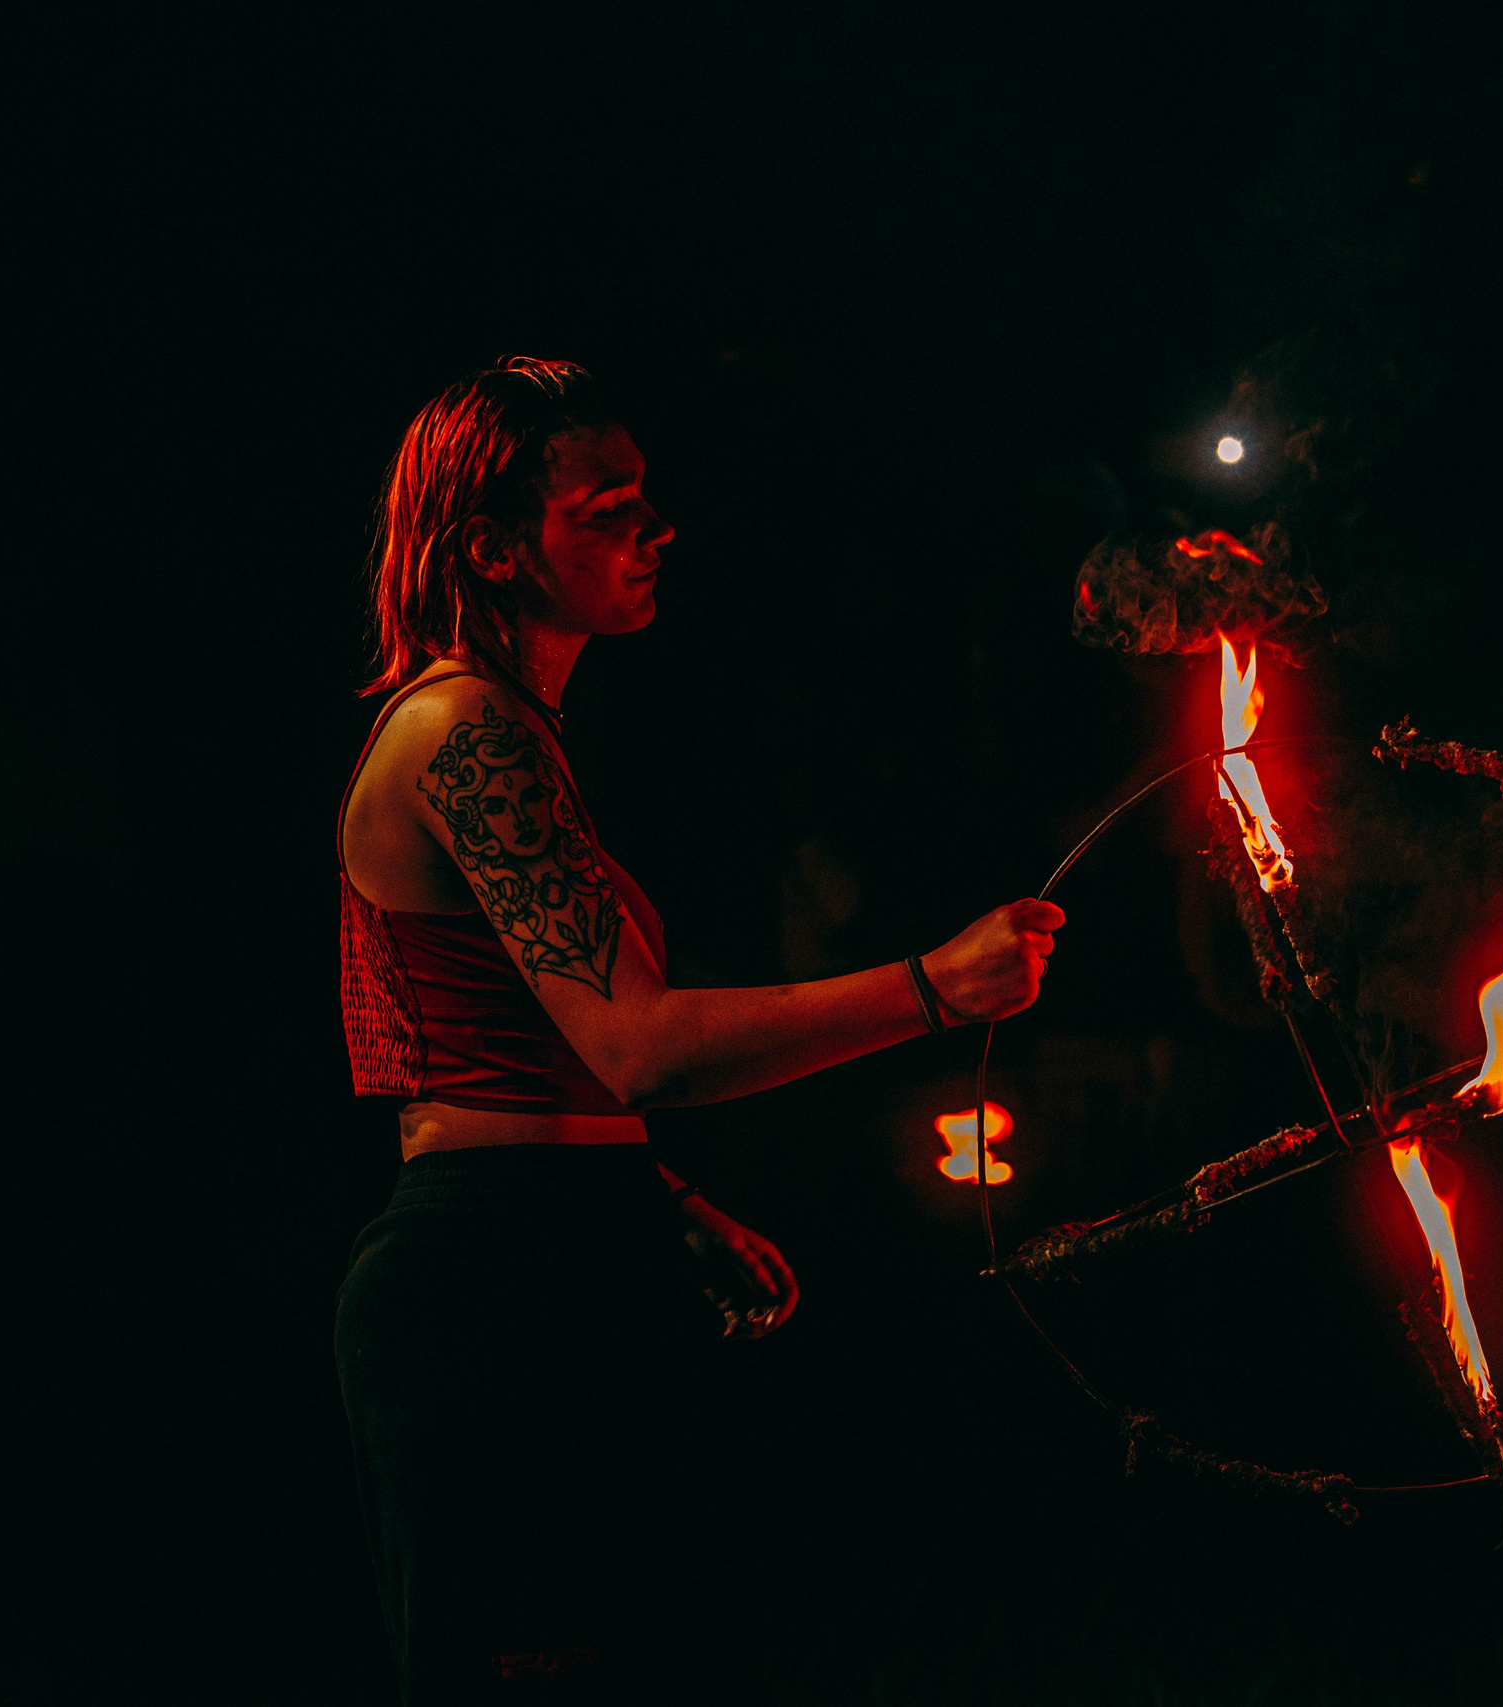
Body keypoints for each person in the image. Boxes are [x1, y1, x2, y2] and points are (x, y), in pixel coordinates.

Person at [333, 356, 1064, 1701]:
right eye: (606, 511)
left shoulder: (512, 731)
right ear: (492, 551)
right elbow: (639, 1043)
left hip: (556, 1250)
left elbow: (541, 1055)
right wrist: (933, 987)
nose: (655, 530)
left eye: (645, 498)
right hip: (492, 1294)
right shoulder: (464, 732)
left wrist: (647, 1190)